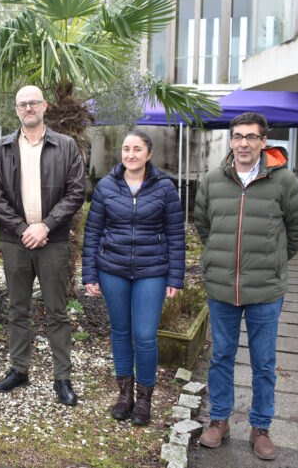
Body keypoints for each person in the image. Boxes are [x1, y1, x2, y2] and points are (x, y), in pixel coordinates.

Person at [194, 112, 298, 460]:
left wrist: (274, 261)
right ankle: (219, 420)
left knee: (264, 362)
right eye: (238, 136)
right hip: (222, 288)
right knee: (221, 357)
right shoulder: (212, 180)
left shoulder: (284, 181)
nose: (243, 143)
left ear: (263, 141)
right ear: (231, 141)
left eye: (251, 137)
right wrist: (219, 258)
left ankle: (261, 428)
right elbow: (203, 225)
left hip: (265, 290)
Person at [0, 85, 85, 406]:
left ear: (44, 106)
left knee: (57, 311)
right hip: (14, 242)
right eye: (22, 104)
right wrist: (22, 229)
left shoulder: (65, 145)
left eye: (33, 103)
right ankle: (19, 369)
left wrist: (46, 226)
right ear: (16, 110)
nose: (27, 108)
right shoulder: (2, 147)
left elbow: (76, 191)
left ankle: (62, 378)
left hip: (52, 241)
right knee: (18, 308)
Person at [82, 130, 185, 425]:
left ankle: (144, 399)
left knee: (145, 335)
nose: (131, 154)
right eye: (126, 149)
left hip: (152, 271)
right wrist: (90, 273)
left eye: (137, 149)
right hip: (112, 269)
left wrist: (175, 277)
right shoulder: (106, 186)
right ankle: (125, 395)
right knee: (120, 332)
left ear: (149, 154)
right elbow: (93, 233)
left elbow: (176, 235)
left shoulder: (165, 188)